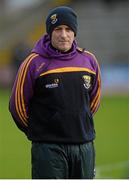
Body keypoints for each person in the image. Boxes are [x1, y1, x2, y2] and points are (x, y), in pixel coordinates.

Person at [9, 6, 101, 179]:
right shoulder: (33, 63)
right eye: (58, 29)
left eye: (68, 29)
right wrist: (40, 130)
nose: (63, 35)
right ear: (50, 32)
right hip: (48, 149)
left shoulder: (89, 60)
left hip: (84, 147)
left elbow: (93, 102)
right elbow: (17, 106)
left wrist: (79, 122)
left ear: (75, 32)